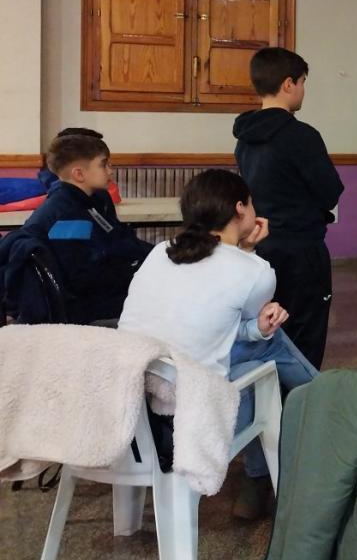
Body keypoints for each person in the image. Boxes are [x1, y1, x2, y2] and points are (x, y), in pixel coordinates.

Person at [118, 169, 317, 519]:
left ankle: (260, 479)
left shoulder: (159, 252)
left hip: (133, 410)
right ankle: (331, 397)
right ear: (240, 209)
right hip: (193, 416)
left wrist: (243, 256)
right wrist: (250, 255)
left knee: (259, 340)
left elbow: (219, 320)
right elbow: (238, 319)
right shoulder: (255, 272)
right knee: (267, 347)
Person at [233, 47, 344, 368]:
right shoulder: (301, 136)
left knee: (268, 324)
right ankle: (301, 401)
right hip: (301, 250)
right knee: (305, 331)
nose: (303, 89)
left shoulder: (244, 137)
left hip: (260, 246)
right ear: (288, 84)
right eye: (303, 81)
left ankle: (270, 399)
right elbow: (330, 192)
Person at [0, 132, 151, 324]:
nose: (111, 171)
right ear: (79, 174)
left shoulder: (94, 201)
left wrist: (160, 255)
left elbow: (120, 240)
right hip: (78, 306)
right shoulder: (65, 214)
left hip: (94, 292)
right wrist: (137, 273)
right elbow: (82, 277)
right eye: (104, 164)